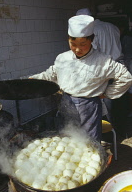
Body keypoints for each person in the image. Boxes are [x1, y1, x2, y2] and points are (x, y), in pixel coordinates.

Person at [29, 15, 132, 143]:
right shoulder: (63, 58)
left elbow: (126, 77)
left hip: (88, 108)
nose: (77, 49)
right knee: (67, 140)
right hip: (65, 103)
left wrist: (107, 93)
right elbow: (51, 73)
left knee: (88, 143)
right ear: (68, 40)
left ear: (92, 40)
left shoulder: (103, 60)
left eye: (83, 44)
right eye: (73, 44)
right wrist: (33, 80)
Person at [76, 8, 129, 138]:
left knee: (107, 103)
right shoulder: (112, 27)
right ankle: (122, 132)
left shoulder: (92, 31)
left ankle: (111, 135)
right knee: (120, 101)